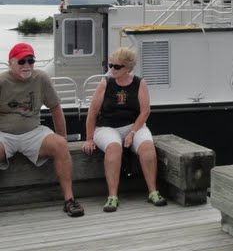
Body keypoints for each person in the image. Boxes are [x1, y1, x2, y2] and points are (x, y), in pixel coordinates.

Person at [0, 43, 84, 217]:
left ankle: (69, 200)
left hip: (33, 132)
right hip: (4, 134)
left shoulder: (41, 78)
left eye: (31, 61)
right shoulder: (2, 81)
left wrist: (63, 139)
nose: (27, 66)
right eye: (22, 61)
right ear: (11, 63)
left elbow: (55, 109)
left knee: (60, 145)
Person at [82, 47, 167, 212]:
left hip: (133, 125)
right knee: (114, 148)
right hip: (107, 126)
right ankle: (112, 196)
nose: (112, 69)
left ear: (128, 68)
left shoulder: (139, 83)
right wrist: (89, 138)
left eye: (117, 66)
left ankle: (153, 191)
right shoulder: (105, 83)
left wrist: (133, 132)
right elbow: (92, 112)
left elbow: (145, 111)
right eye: (111, 65)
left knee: (147, 147)